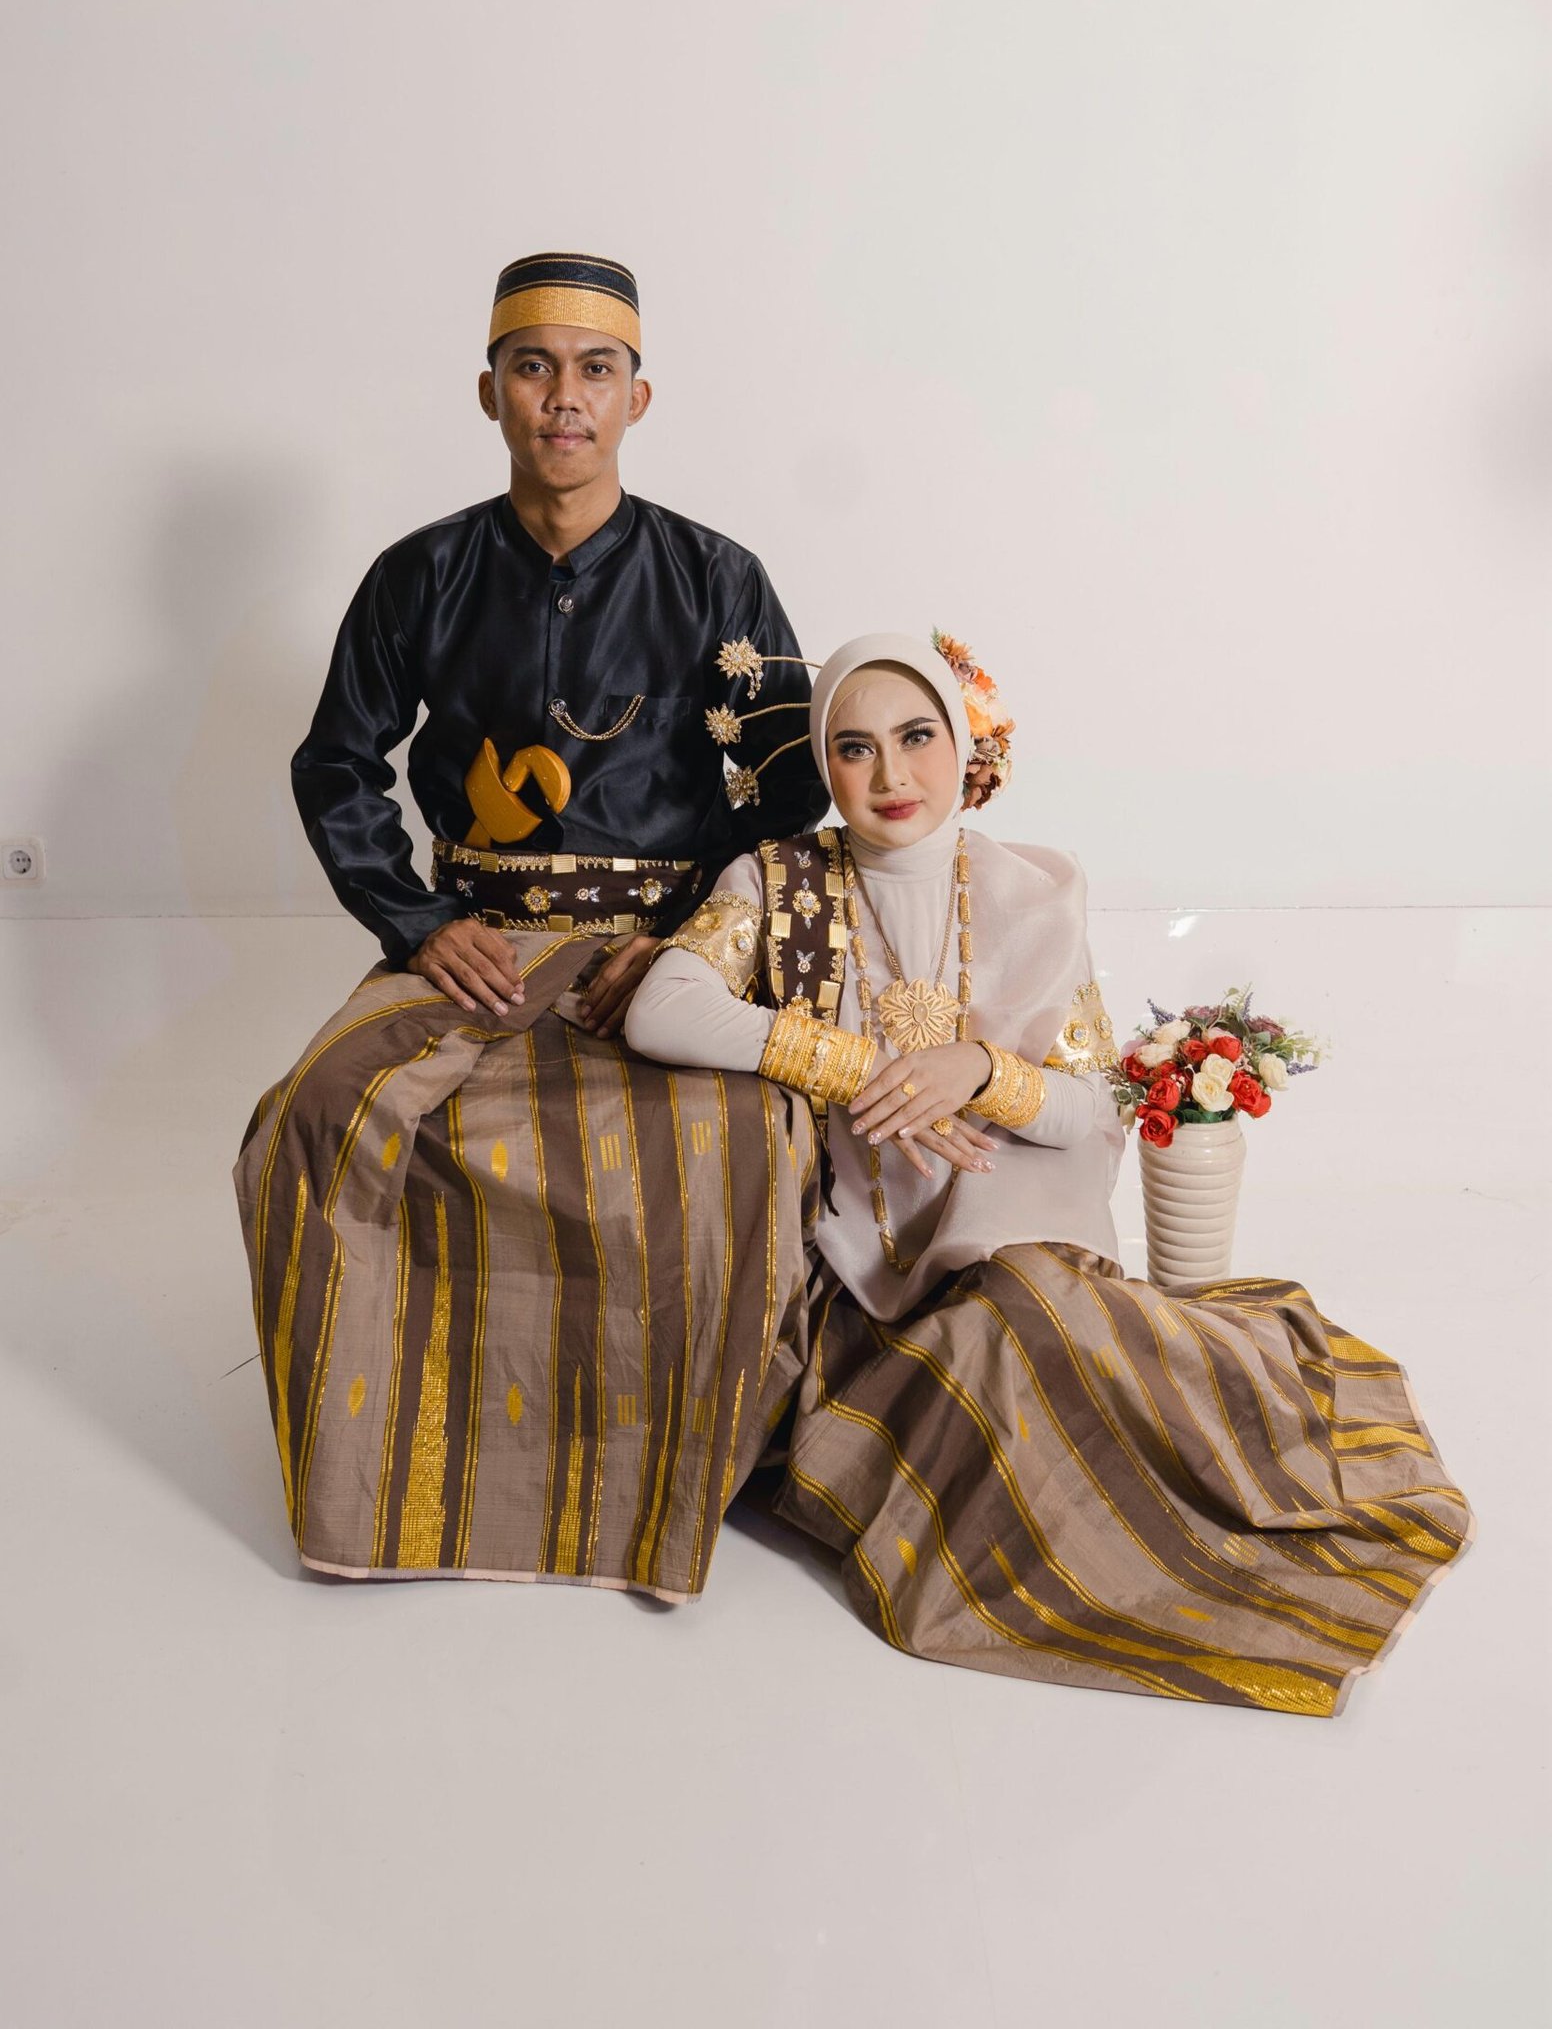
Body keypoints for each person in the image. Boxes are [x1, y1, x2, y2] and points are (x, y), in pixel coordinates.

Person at [625, 632, 1474, 1712]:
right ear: (823, 764)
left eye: (916, 737)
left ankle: (1162, 1556)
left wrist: (980, 1070)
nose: (890, 776)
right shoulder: (779, 881)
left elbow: (1089, 1105)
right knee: (993, 1348)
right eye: (854, 748)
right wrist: (854, 1066)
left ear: (962, 741)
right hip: (854, 1270)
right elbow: (662, 1008)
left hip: (1013, 1233)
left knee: (1024, 1315)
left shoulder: (1030, 888)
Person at [235, 253, 827, 1592]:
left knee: (731, 1145)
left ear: (638, 398)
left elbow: (789, 797)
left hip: (664, 951)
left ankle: (680, 1472)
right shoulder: (421, 573)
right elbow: (337, 765)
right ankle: (381, 1481)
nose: (565, 396)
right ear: (490, 391)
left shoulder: (716, 576)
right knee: (314, 1117)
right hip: (476, 941)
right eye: (534, 367)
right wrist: (414, 919)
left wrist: (696, 948)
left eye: (595, 369)